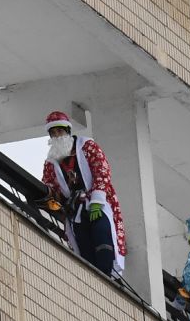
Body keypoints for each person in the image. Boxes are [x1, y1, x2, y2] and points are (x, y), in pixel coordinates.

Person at [40, 111, 126, 280]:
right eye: (53, 132)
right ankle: (91, 279)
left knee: (102, 235)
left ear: (67, 131)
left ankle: (107, 274)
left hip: (96, 203)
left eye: (60, 131)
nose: (57, 135)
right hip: (74, 209)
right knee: (83, 243)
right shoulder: (51, 162)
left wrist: (97, 200)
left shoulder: (87, 146)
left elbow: (102, 171)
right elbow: (48, 184)